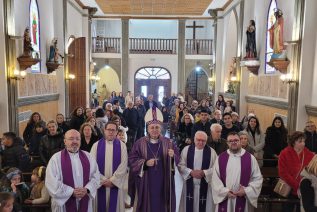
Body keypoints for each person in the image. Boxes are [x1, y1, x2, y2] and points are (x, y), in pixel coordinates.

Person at [128, 107, 180, 212]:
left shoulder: (169, 143)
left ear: (161, 128)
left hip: (163, 181)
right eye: (152, 127)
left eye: (157, 127)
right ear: (148, 129)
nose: (155, 130)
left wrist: (173, 156)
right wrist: (145, 163)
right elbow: (132, 160)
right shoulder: (139, 143)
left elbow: (178, 160)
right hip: (146, 182)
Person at [45, 130, 100, 212]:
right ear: (65, 141)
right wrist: (70, 192)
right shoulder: (56, 158)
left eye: (77, 139)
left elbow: (96, 176)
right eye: (71, 138)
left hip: (84, 200)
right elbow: (51, 182)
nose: (75, 141)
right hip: (64, 203)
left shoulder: (88, 157)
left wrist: (87, 189)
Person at [212, 132, 263, 212]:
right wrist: (225, 192)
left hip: (243, 199)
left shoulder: (250, 158)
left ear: (240, 141)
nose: (234, 142)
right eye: (231, 141)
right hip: (226, 198)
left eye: (236, 140)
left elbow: (257, 179)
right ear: (227, 143)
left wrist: (246, 191)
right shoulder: (220, 158)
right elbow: (215, 179)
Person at [90, 121, 128, 212]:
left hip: (115, 185)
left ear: (116, 132)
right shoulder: (96, 146)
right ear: (104, 130)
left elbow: (123, 165)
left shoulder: (122, 146)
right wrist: (102, 180)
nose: (111, 132)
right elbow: (92, 165)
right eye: (109, 129)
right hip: (100, 185)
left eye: (113, 130)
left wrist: (113, 181)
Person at [178, 131, 217, 212]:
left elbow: (216, 168)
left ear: (206, 141)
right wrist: (191, 172)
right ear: (194, 140)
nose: (200, 142)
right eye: (198, 140)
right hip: (189, 186)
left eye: (203, 140)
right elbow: (180, 165)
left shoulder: (212, 152)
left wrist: (204, 173)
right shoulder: (186, 150)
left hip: (206, 188)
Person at [278, 131, 314, 212]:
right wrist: (297, 186)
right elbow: (283, 173)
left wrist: (302, 187)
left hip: (304, 190)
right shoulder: (284, 153)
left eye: (304, 141)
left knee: (301, 209)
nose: (303, 143)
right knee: (287, 209)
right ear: (293, 142)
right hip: (288, 188)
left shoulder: (309, 154)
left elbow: (312, 171)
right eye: (300, 141)